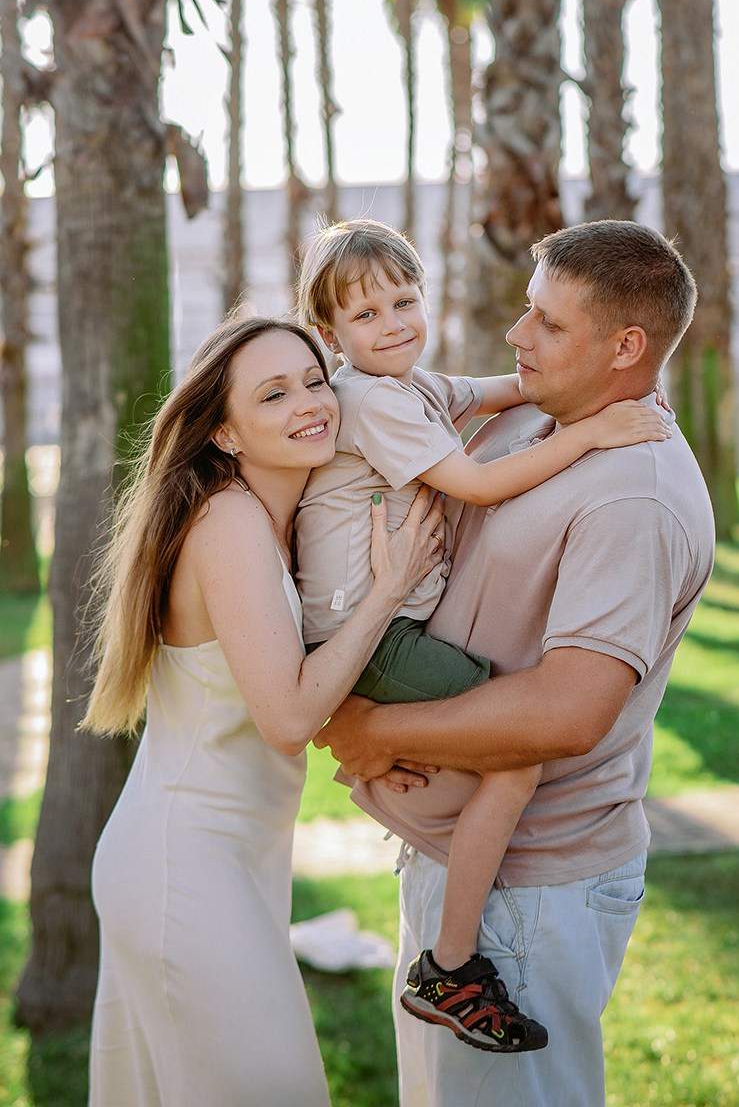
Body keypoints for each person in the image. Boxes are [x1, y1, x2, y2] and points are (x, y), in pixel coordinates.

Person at [316, 219, 716, 1106]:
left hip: (528, 898)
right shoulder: (535, 414)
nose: (516, 336)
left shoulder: (632, 496)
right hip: (462, 870)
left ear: (627, 347)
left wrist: (373, 727)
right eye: (524, 312)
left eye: (548, 323)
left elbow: (567, 716)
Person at [82, 315, 445, 1107]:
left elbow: (283, 697)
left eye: (315, 380)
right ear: (226, 432)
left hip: (227, 857)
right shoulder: (230, 523)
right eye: (273, 394)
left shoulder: (281, 521)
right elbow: (285, 718)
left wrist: (370, 739)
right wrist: (390, 589)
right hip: (184, 862)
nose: (310, 403)